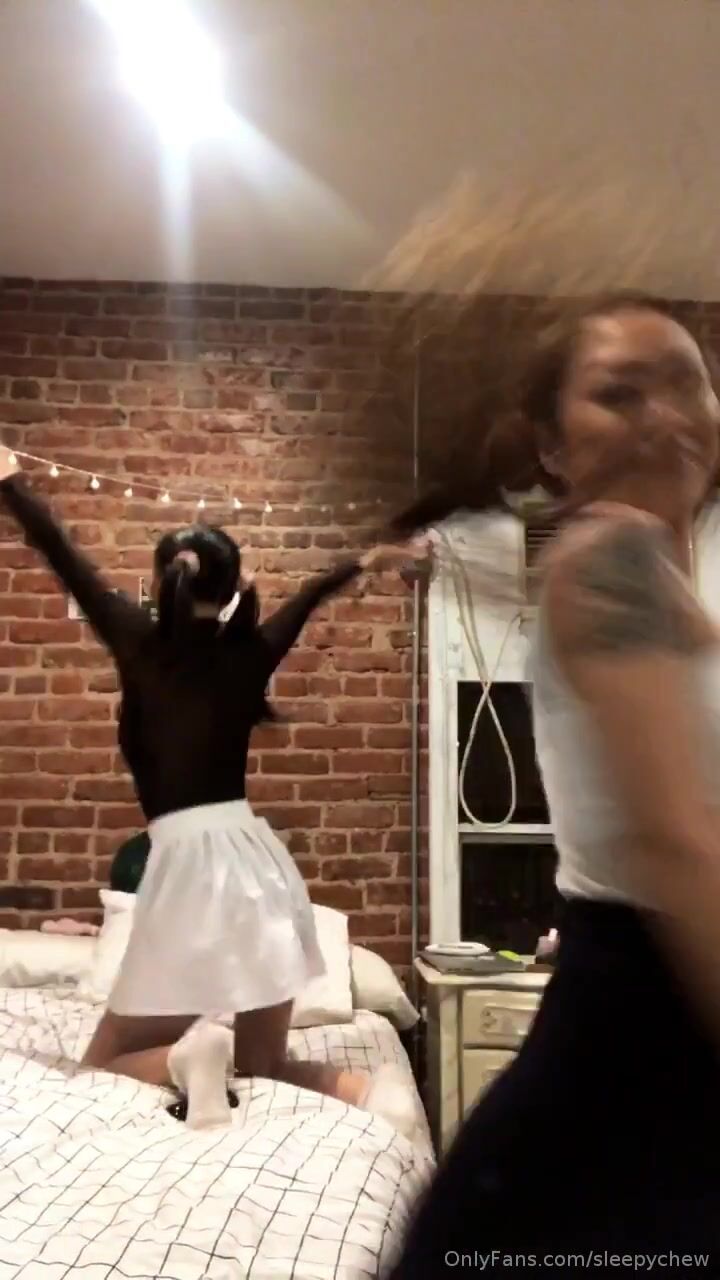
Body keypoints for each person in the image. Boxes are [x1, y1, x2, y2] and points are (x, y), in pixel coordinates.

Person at [381, 293, 720, 1270]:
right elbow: (676, 840)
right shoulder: (609, 560)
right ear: (554, 446)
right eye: (621, 393)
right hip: (641, 1038)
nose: (665, 413)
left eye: (687, 381)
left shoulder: (666, 588)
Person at [0, 452, 423, 1132]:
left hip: (190, 872)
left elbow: (60, 552)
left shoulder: (138, 642)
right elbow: (313, 593)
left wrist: (10, 482)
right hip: (260, 865)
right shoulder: (248, 651)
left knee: (102, 1064)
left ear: (161, 578)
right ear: (230, 590)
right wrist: (368, 561)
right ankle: (379, 1100)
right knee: (265, 1062)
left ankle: (185, 1056)